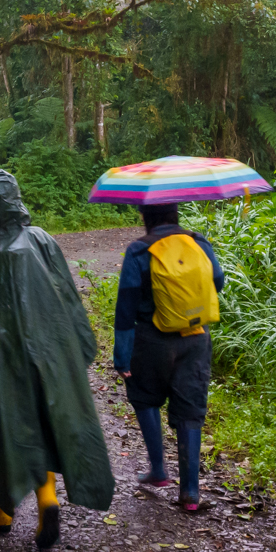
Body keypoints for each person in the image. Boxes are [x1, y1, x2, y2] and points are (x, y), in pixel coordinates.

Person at [0, 170, 114, 549]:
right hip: (43, 354)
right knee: (41, 422)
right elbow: (66, 298)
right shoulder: (42, 241)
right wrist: (73, 347)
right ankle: (47, 498)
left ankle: (5, 510)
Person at [112, 202, 225, 512]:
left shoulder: (138, 251)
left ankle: (159, 470)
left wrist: (121, 356)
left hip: (152, 339)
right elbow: (217, 280)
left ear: (146, 217)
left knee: (145, 397)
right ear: (176, 214)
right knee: (190, 409)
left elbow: (126, 308)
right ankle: (190, 492)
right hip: (196, 337)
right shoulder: (198, 242)